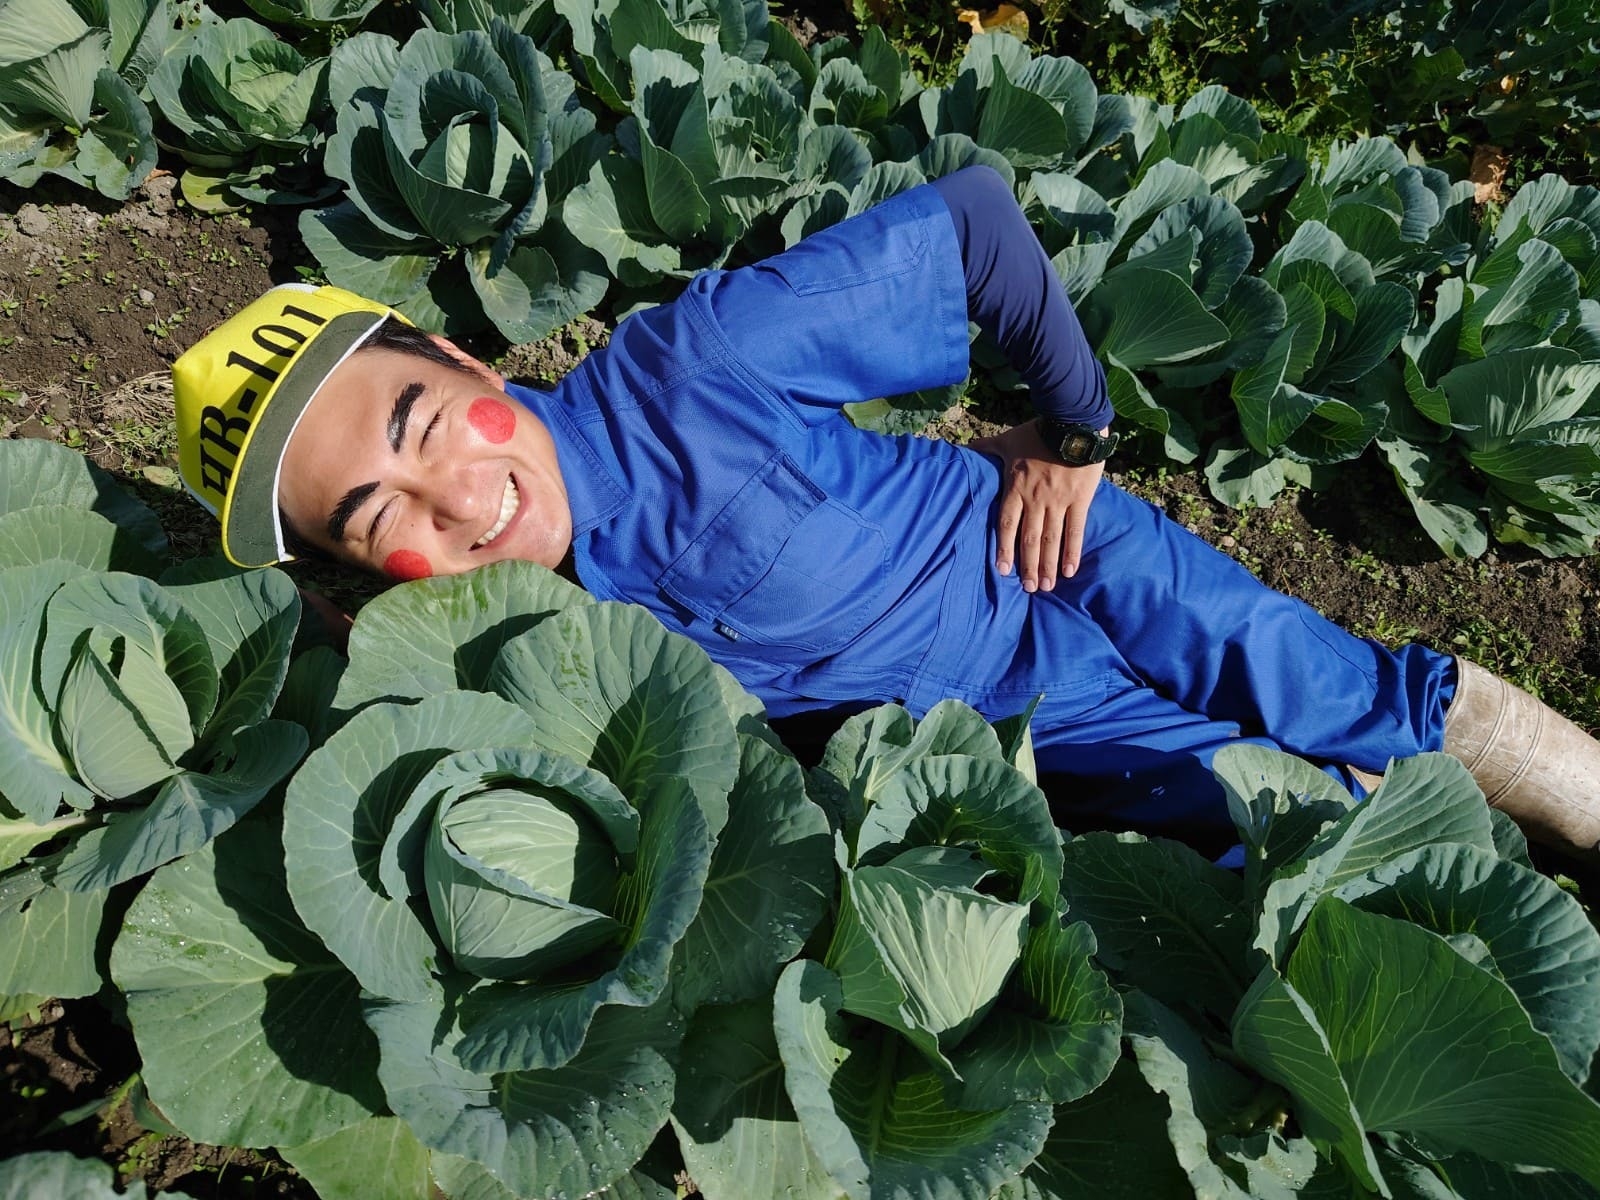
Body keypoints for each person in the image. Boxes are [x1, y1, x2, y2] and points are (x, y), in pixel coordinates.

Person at [171, 165, 1600, 860]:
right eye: (380, 517)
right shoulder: (519, 640)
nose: (458, 499)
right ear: (363, 576)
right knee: (1242, 836)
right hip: (994, 742)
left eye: (427, 428)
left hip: (1055, 567)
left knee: (1319, 685)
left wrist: (1074, 437)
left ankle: (1554, 778)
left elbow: (973, 222)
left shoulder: (695, 369)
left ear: (469, 361)